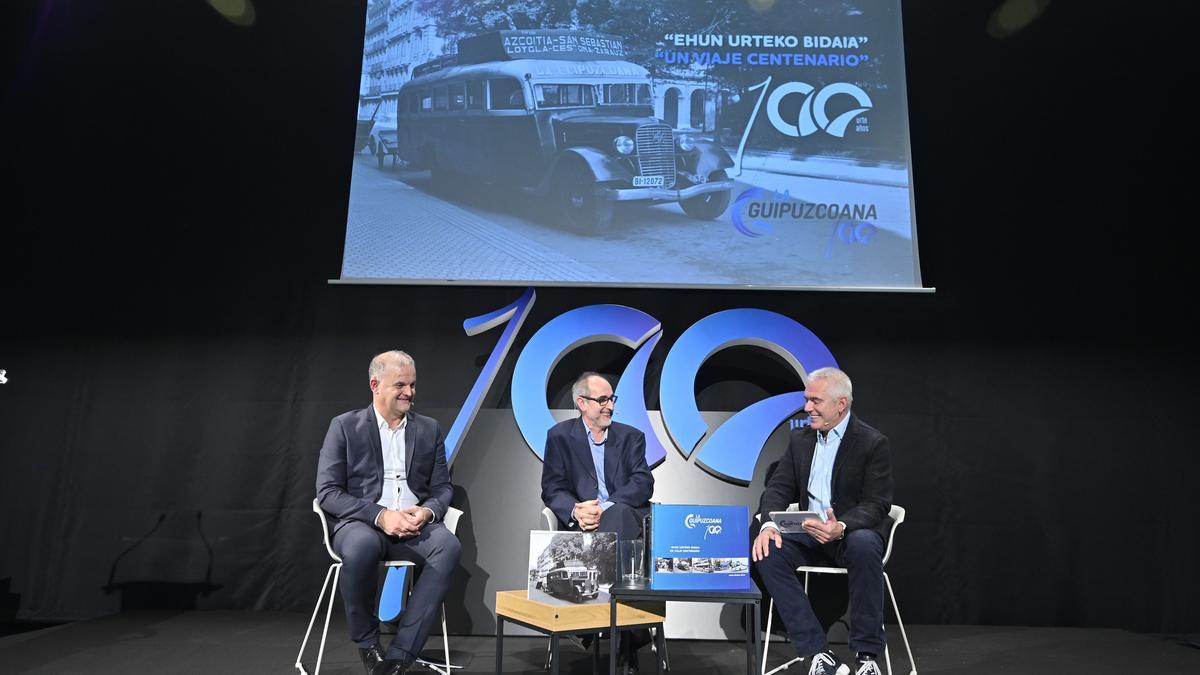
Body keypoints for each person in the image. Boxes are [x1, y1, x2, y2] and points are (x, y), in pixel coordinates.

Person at [316, 351, 460, 675]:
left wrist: (427, 512)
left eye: (412, 385)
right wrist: (380, 515)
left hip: (414, 524)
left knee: (448, 546)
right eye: (400, 385)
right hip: (362, 524)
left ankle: (399, 655)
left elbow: (443, 488)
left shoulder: (428, 429)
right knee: (361, 547)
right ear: (375, 385)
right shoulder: (344, 426)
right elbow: (327, 492)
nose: (409, 392)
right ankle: (368, 645)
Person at [752, 368, 893, 675]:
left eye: (815, 400)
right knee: (767, 550)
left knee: (865, 543)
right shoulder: (800, 440)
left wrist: (840, 525)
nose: (807, 408)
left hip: (849, 534)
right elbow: (778, 488)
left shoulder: (872, 443)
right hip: (807, 533)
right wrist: (768, 525)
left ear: (841, 404)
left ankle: (867, 657)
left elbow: (877, 503)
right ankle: (818, 652)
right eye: (807, 400)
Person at [541, 372, 654, 673]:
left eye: (612, 399)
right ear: (581, 403)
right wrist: (576, 510)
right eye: (602, 400)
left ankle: (588, 627)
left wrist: (605, 507)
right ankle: (632, 637)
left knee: (618, 515)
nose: (610, 407)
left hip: (624, 522)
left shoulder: (631, 437)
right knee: (615, 524)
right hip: (583, 528)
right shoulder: (560, 437)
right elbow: (552, 487)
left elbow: (643, 483)